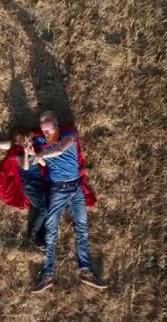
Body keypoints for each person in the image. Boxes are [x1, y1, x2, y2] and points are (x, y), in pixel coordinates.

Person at [30, 111, 106, 293]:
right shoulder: (39, 142)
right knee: (50, 232)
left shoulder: (68, 134)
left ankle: (86, 271)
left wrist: (41, 154)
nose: (46, 134)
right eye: (44, 132)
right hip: (57, 190)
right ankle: (47, 275)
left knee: (82, 229)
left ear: (56, 123)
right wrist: (33, 153)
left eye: (48, 130)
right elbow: (39, 161)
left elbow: (60, 149)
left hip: (76, 189)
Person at [0, 129, 47, 249]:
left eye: (29, 140)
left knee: (41, 208)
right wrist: (27, 153)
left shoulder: (34, 149)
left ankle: (39, 236)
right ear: (18, 144)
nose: (28, 142)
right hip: (29, 185)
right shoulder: (18, 155)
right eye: (25, 141)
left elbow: (44, 164)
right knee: (43, 208)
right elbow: (25, 167)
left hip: (38, 183)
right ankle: (34, 235)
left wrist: (34, 154)